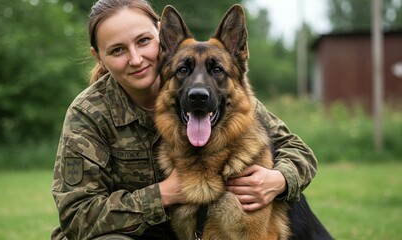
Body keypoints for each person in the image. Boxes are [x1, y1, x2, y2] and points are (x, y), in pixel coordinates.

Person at [51, 0, 317, 239]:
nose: (135, 58)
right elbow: (76, 215)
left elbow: (299, 151)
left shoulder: (231, 101)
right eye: (118, 50)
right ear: (99, 56)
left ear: (160, 38)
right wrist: (165, 193)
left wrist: (278, 180)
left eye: (143, 41)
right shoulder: (89, 113)